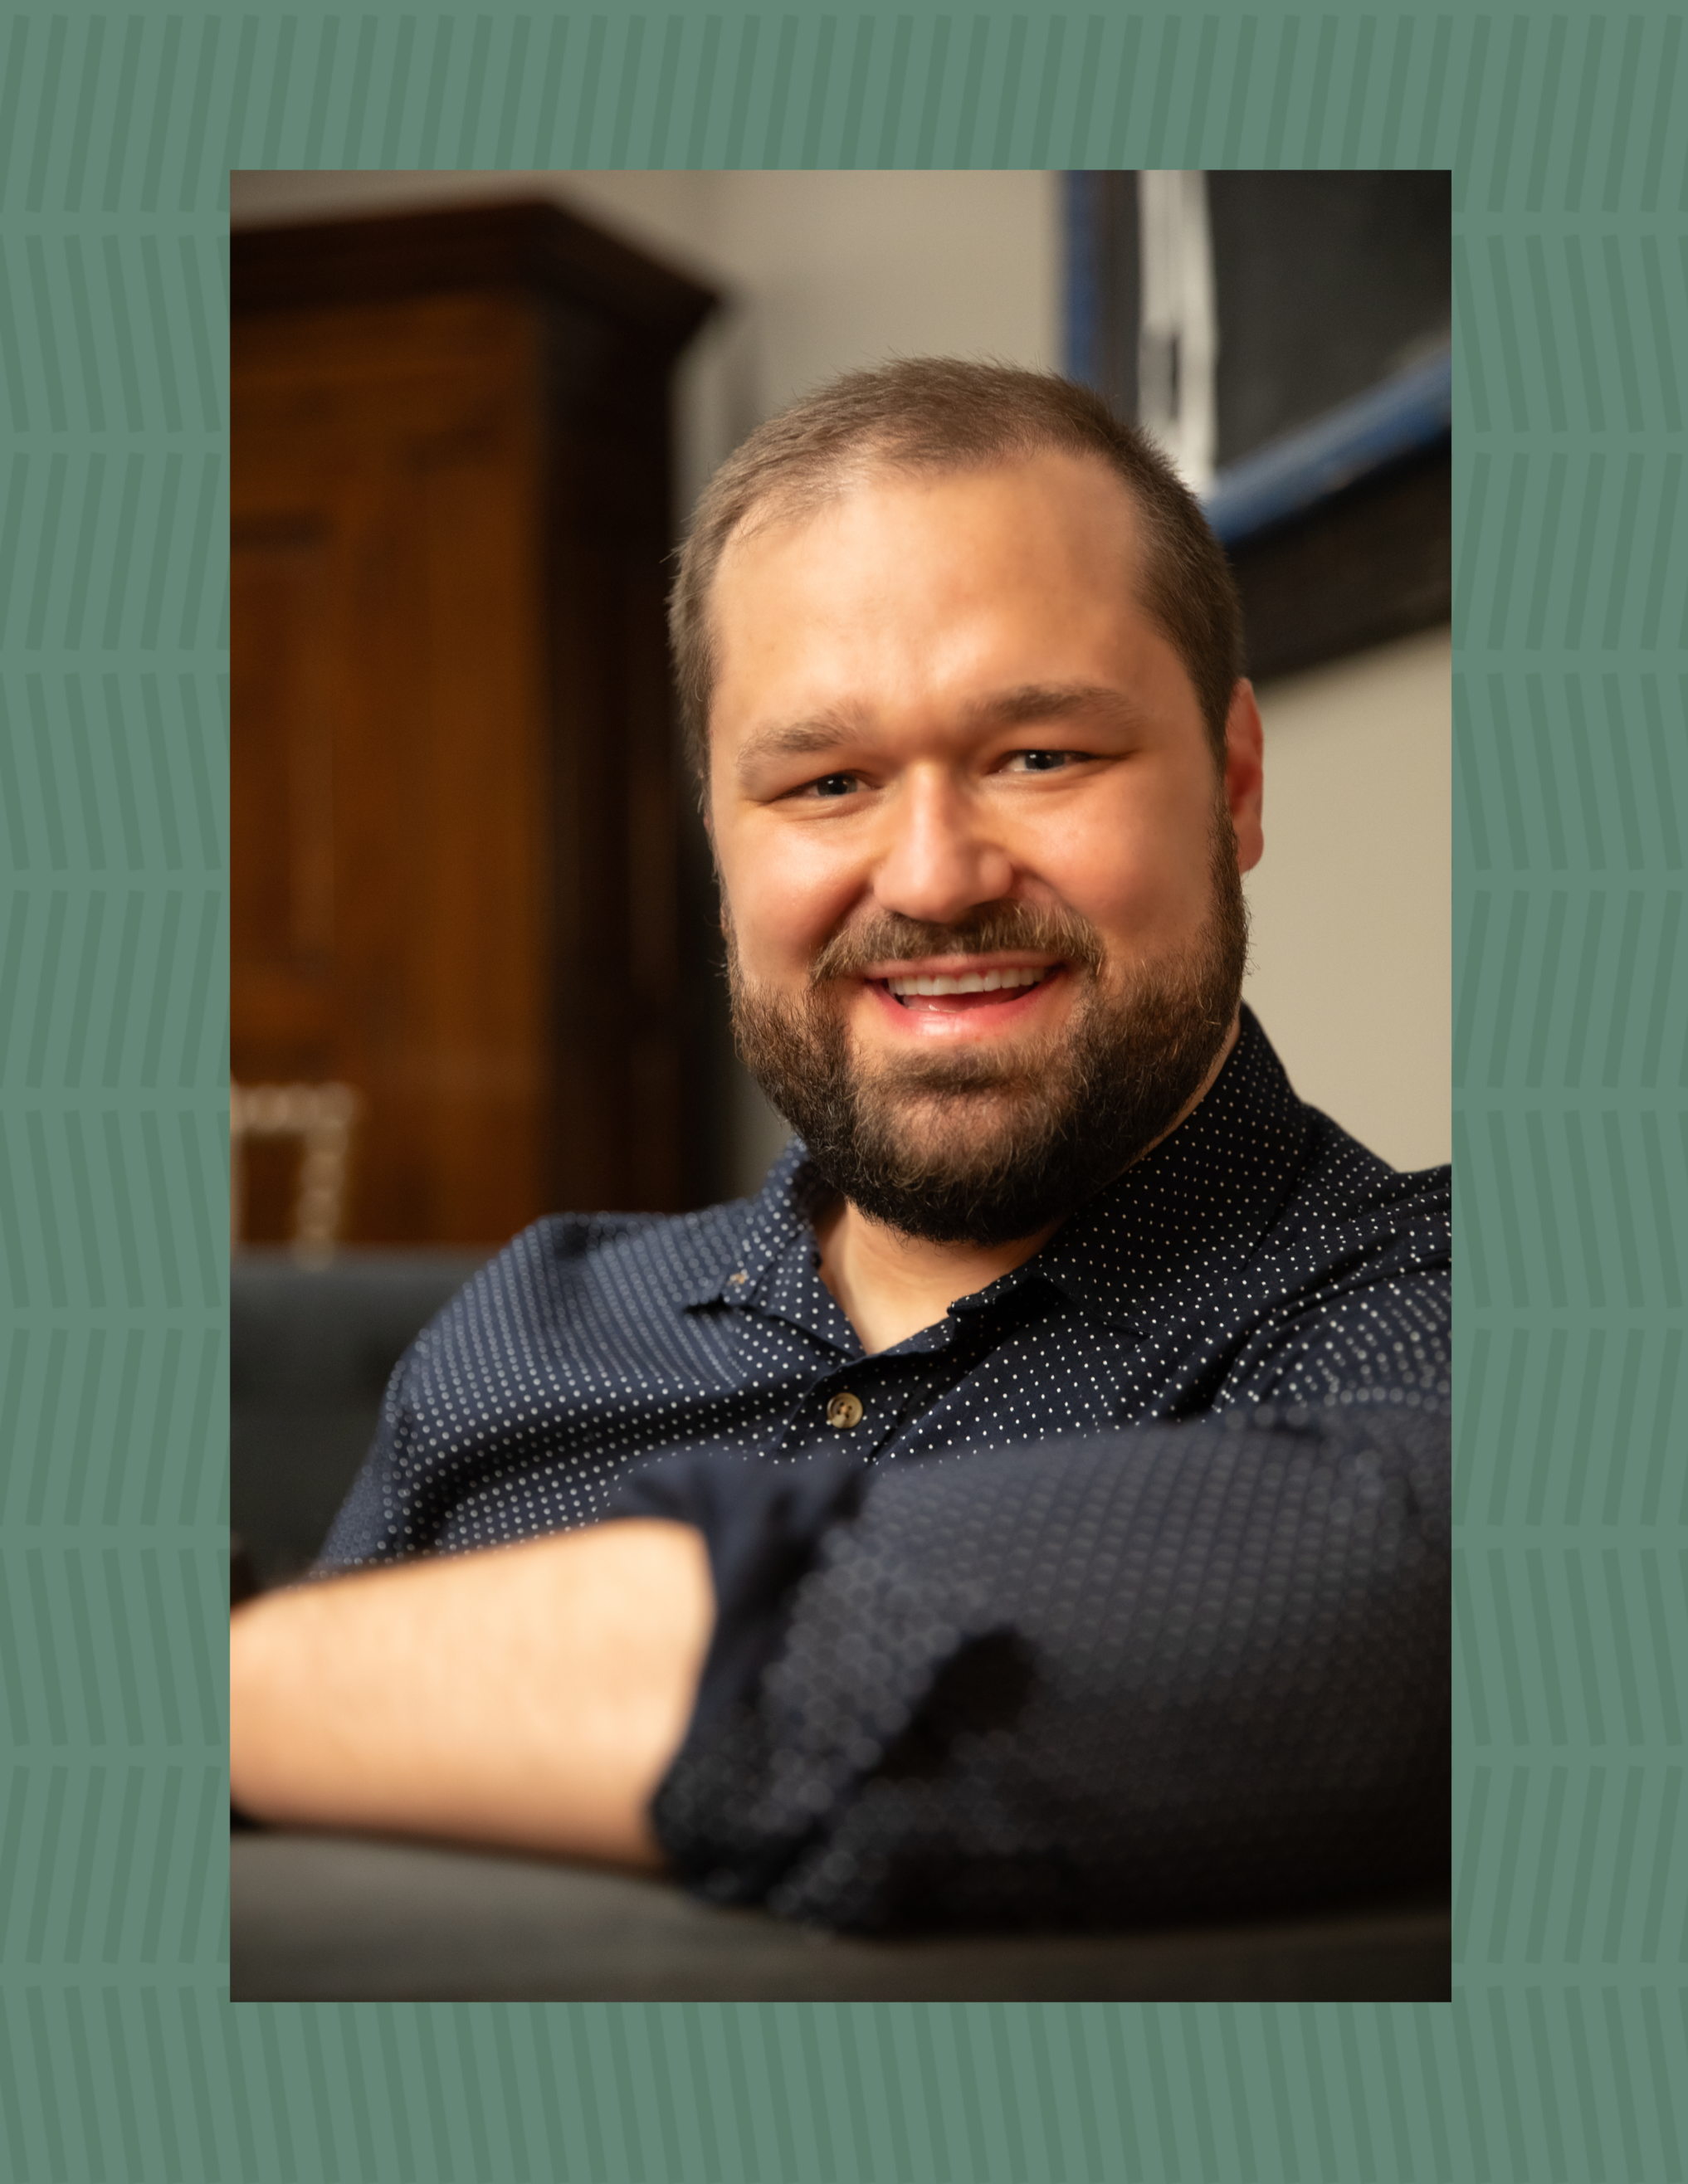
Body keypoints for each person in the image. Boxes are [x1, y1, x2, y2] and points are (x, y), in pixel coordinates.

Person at [232, 360, 1450, 1933]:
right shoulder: (524, 1330)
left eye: (1040, 755)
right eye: (827, 783)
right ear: (722, 842)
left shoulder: (1452, 1317)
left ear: (1231, 783)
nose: (933, 877)